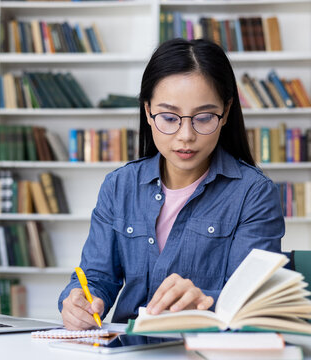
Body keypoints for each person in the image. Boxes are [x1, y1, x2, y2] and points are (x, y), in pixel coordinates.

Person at [58, 38, 285, 330]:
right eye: (168, 117)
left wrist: (204, 301)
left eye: (203, 118)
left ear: (226, 112)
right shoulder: (120, 186)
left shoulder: (253, 193)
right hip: (128, 347)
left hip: (204, 347)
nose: (186, 135)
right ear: (147, 111)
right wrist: (78, 301)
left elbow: (254, 299)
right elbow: (96, 277)